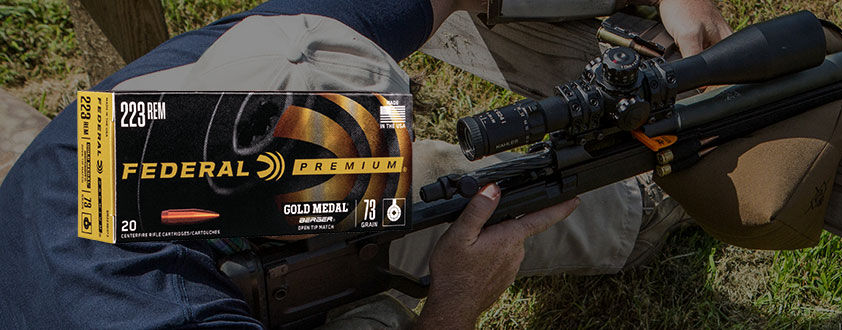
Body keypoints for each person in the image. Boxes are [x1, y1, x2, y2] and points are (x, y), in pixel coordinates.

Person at [0, 0, 731, 328]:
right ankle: (640, 212)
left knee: (444, 195)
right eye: (344, 175)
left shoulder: (152, 106)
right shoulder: (173, 317)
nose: (363, 161)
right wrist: (452, 304)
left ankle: (634, 203)